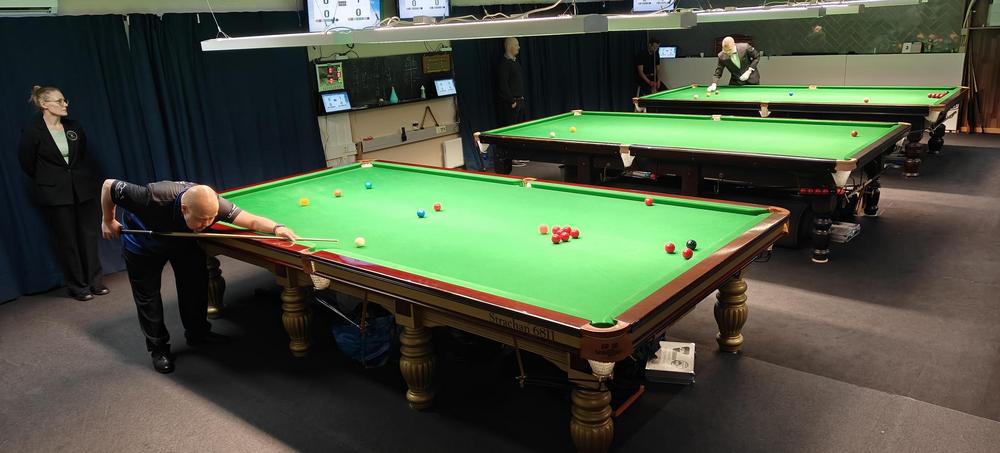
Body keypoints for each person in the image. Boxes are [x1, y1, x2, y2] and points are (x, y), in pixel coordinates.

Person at [100, 179, 298, 373]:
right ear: (184, 209)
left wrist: (277, 228)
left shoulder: (217, 206)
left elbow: (251, 220)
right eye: (201, 220)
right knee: (148, 298)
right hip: (142, 244)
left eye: (211, 219)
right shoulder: (153, 197)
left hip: (181, 241)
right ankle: (158, 349)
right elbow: (109, 186)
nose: (206, 224)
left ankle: (198, 334)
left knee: (195, 284)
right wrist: (108, 220)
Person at [17, 85, 106, 301]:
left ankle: (95, 281)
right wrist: (51, 180)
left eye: (65, 100)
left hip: (81, 190)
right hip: (55, 194)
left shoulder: (74, 127)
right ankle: (78, 286)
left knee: (88, 236)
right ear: (44, 104)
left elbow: (81, 155)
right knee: (68, 241)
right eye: (59, 101)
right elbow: (27, 163)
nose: (65, 104)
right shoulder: (32, 132)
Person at [495, 36, 529, 170]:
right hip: (511, 104)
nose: (519, 48)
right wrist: (512, 101)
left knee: (520, 130)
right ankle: (512, 157)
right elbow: (502, 85)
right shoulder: (504, 64)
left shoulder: (515, 62)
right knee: (511, 131)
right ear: (510, 47)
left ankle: (519, 155)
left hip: (520, 100)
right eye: (516, 45)